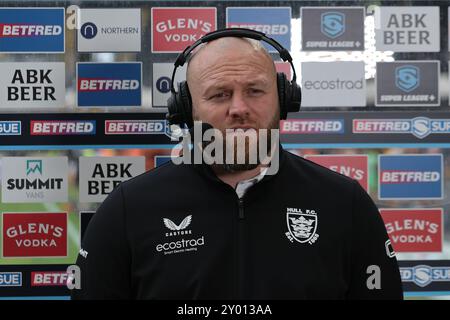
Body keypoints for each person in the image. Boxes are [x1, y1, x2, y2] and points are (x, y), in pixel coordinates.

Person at [72, 28, 403, 299]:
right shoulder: (127, 209)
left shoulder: (345, 204)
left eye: (256, 91)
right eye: (219, 94)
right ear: (187, 110)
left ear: (284, 100)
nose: (239, 108)